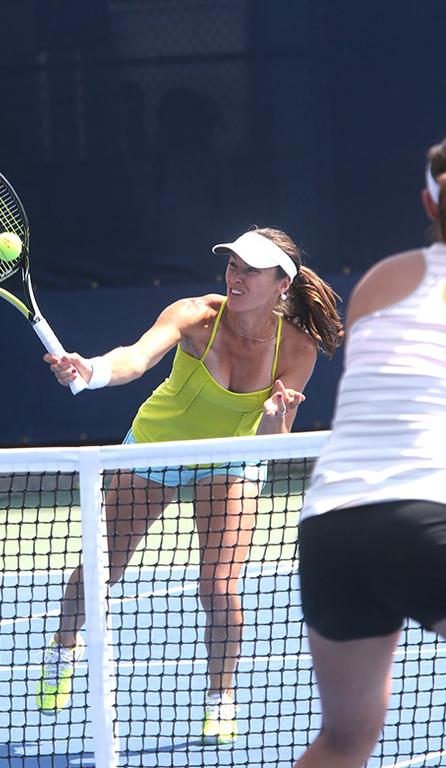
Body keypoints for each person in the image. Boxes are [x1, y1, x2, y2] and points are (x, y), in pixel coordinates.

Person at [38, 226, 343, 744]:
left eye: (251, 269)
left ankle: (220, 699)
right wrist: (90, 371)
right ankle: (62, 649)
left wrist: (274, 418)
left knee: (220, 590)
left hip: (234, 458)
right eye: (233, 265)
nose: (236, 276)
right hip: (159, 445)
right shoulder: (195, 315)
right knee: (102, 568)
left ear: (281, 284)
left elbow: (275, 442)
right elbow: (136, 358)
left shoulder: (297, 346)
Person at [294, 137, 446, 768]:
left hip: (331, 531)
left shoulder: (381, 281)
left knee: (345, 740)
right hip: (423, 518)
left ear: (428, 204)